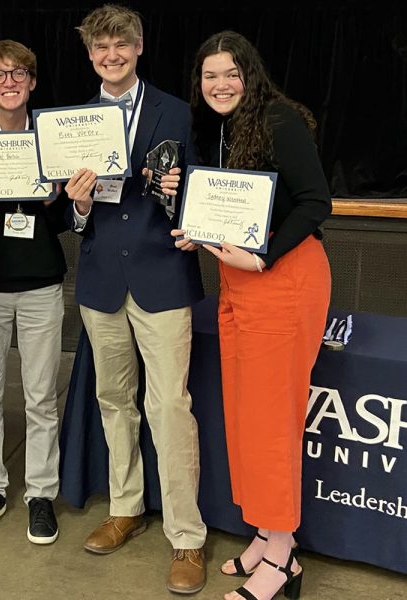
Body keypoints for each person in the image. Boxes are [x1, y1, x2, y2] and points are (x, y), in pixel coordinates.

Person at [170, 30, 331, 600]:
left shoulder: (279, 120)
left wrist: (263, 254)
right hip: (237, 281)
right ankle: (266, 532)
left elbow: (316, 202)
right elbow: (232, 206)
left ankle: (284, 558)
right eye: (209, 76)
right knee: (245, 414)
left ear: (250, 75)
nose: (219, 85)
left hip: (283, 278)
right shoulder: (218, 129)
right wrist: (200, 231)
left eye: (230, 74)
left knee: (271, 420)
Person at [65, 4, 207, 594]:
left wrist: (182, 195)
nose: (111, 55)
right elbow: (73, 213)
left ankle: (187, 536)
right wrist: (76, 203)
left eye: (121, 44)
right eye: (101, 47)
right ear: (91, 53)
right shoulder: (74, 120)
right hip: (101, 280)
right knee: (113, 399)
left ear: (140, 46)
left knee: (170, 407)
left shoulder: (176, 110)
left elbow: (197, 190)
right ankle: (126, 507)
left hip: (162, 277)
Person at [0, 40, 68, 545]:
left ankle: (41, 494)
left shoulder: (54, 140)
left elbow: (72, 220)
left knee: (42, 397)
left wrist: (62, 198)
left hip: (42, 285)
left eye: (18, 73)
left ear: (32, 82)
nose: (9, 82)